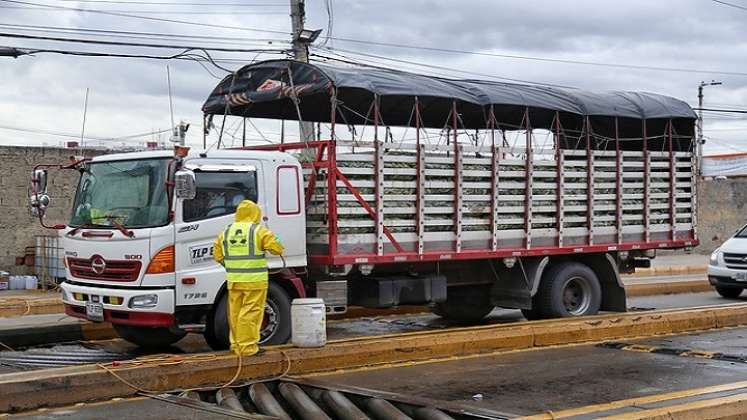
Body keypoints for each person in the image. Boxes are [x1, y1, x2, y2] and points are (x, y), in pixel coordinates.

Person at [213, 200, 284, 355]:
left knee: (235, 314)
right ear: (256, 213)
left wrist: (232, 266)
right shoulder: (259, 230)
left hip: (234, 280)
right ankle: (248, 347)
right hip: (254, 281)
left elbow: (217, 255)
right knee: (250, 314)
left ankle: (236, 346)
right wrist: (276, 238)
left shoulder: (226, 231)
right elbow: (277, 249)